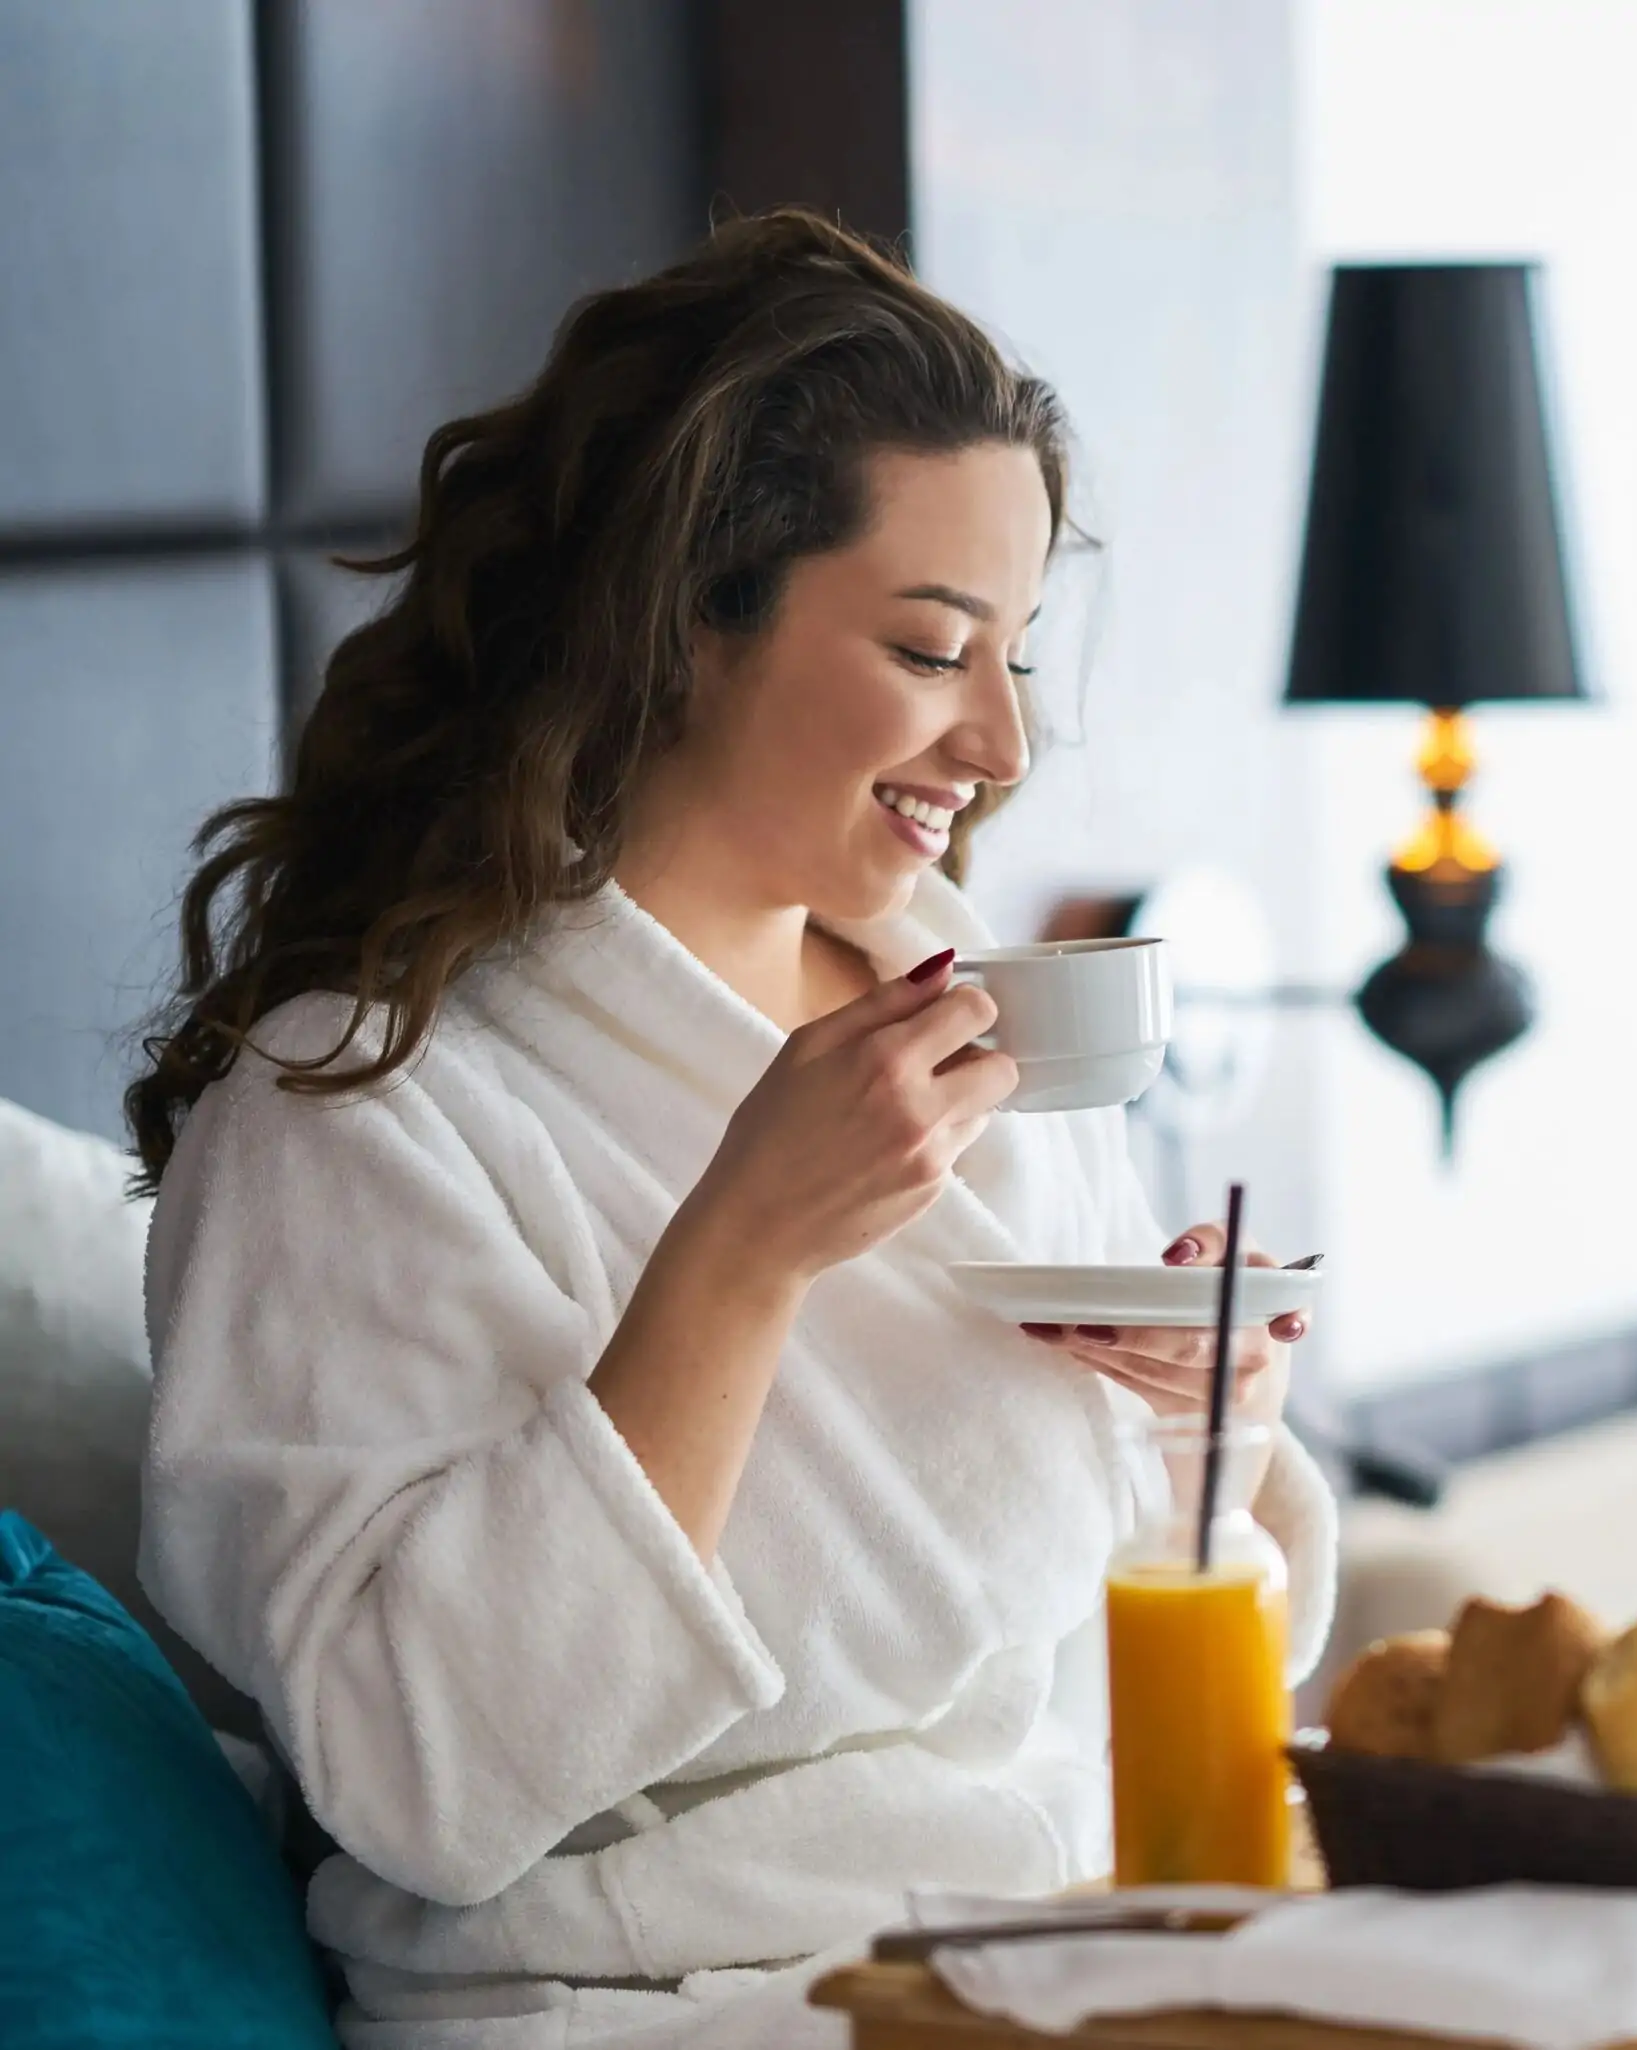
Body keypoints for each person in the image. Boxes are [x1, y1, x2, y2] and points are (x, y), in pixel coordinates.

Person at [125, 209, 1333, 2048]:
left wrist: (1211, 1450)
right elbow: (417, 1779)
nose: (1003, 743)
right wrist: (743, 1249)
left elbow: (1106, 1670)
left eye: (1018, 653)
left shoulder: (973, 1025)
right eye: (936, 650)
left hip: (1076, 1954)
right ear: (689, 620)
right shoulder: (362, 1109)